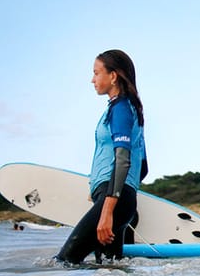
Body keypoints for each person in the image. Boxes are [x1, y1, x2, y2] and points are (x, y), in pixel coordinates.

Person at [56, 49, 147, 264]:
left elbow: (123, 160)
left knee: (65, 261)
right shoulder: (129, 110)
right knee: (109, 269)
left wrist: (108, 209)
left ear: (113, 76)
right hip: (116, 199)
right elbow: (142, 168)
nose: (92, 79)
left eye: (96, 73)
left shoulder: (121, 108)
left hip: (113, 199)